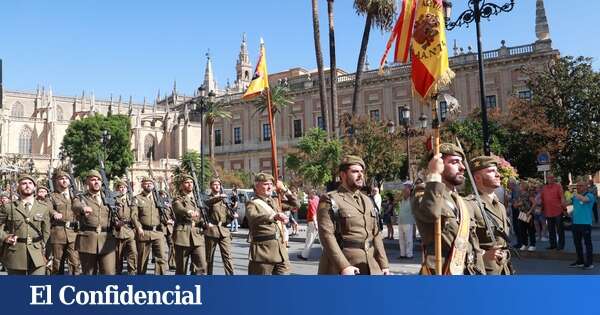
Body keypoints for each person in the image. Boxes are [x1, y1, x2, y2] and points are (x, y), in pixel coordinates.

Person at [411, 144, 487, 275]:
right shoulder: (424, 191)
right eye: (454, 162)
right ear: (438, 165)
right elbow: (430, 214)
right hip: (442, 270)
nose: (462, 167)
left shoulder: (461, 201)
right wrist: (434, 175)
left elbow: (474, 245)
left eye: (461, 162)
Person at [317, 155, 390, 275]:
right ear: (343, 175)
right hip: (345, 266)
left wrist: (384, 264)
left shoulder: (368, 200)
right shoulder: (330, 199)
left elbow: (376, 234)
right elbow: (326, 236)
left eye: (362, 171)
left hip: (370, 265)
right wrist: (344, 266)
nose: (360, 175)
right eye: (355, 171)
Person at [467, 156, 515, 275]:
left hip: (505, 270)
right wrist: (484, 256)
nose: (498, 175)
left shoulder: (501, 206)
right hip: (484, 272)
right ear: (477, 178)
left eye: (497, 171)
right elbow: (462, 247)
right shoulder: (469, 205)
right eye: (491, 171)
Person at [246, 173, 299, 275]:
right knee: (262, 287)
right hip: (264, 252)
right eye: (266, 184)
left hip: (281, 251)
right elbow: (253, 217)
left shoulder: (275, 201)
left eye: (271, 184)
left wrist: (285, 190)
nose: (270, 186)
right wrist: (273, 217)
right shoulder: (252, 203)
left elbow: (296, 204)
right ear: (256, 186)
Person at [0, 175, 51, 275]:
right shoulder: (8, 207)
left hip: (37, 254)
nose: (27, 186)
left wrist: (46, 251)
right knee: (17, 288)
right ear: (18, 187)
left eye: (30, 183)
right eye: (24, 183)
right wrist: (5, 237)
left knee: (36, 287)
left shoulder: (43, 207)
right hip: (15, 253)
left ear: (35, 187)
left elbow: (46, 231)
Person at [73, 170, 117, 275]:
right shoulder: (80, 197)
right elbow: (75, 206)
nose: (96, 182)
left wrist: (119, 222)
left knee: (109, 273)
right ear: (87, 182)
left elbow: (117, 214)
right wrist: (83, 209)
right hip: (88, 241)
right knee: (89, 274)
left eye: (98, 180)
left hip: (107, 241)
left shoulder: (110, 198)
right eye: (93, 180)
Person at [171, 174, 207, 275]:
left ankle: (197, 288)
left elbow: (202, 215)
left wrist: (205, 223)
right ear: (182, 185)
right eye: (187, 182)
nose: (189, 184)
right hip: (183, 236)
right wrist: (188, 212)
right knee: (181, 268)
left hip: (197, 235)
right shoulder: (178, 199)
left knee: (202, 266)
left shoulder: (198, 199)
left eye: (191, 182)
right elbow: (178, 208)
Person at [134, 177, 169, 275]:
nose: (148, 185)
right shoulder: (137, 199)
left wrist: (168, 220)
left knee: (161, 257)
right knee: (142, 259)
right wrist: (138, 227)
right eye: (146, 183)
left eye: (150, 183)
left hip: (157, 232)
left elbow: (165, 212)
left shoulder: (158, 199)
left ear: (153, 185)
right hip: (144, 232)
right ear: (142, 185)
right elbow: (134, 215)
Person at [49, 170, 81, 275]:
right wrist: (54, 213)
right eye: (61, 178)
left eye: (66, 178)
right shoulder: (52, 196)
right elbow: (48, 208)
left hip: (73, 233)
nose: (64, 180)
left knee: (75, 263)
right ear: (57, 181)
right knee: (57, 264)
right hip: (58, 233)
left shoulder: (75, 196)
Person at [204, 178, 235, 275]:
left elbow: (228, 215)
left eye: (218, 184)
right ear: (211, 186)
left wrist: (232, 216)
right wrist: (219, 197)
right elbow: (207, 204)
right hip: (212, 230)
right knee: (208, 257)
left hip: (224, 231)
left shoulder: (225, 200)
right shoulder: (207, 199)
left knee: (228, 256)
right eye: (215, 184)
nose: (217, 186)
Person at [567, 180, 596, 269]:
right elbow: (567, 203)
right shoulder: (575, 197)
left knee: (587, 244)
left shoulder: (590, 195)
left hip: (585, 223)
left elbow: (584, 200)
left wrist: (574, 193)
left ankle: (589, 263)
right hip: (576, 223)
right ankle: (580, 261)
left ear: (586, 187)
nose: (578, 187)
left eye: (581, 186)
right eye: (578, 186)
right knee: (577, 243)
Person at [113, 180, 139, 275]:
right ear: (118, 189)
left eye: (124, 187)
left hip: (130, 231)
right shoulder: (113, 200)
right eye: (120, 187)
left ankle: (132, 273)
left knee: (133, 253)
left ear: (127, 189)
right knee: (118, 255)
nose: (123, 189)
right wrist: (115, 221)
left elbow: (136, 214)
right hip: (118, 231)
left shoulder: (132, 200)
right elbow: (111, 213)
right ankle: (117, 273)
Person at [541, 174, 566, 250]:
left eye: (551, 178)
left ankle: (561, 245)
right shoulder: (544, 188)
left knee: (559, 229)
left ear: (554, 178)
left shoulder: (558, 186)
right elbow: (542, 199)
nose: (550, 179)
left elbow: (562, 197)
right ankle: (553, 244)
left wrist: (564, 208)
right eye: (548, 178)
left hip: (557, 211)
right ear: (547, 179)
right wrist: (541, 208)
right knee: (551, 229)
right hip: (548, 211)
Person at [297, 189, 318, 261]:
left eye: (309, 194)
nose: (308, 195)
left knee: (310, 239)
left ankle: (304, 255)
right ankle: (329, 255)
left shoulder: (311, 202)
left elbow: (313, 213)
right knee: (322, 241)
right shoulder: (318, 199)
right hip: (318, 221)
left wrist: (315, 223)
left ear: (312, 194)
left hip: (312, 222)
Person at [515, 180, 536, 252]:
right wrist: (517, 205)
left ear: (524, 186)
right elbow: (517, 203)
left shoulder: (529, 194)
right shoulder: (519, 194)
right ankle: (524, 244)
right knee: (522, 230)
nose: (519, 186)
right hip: (521, 213)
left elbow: (534, 203)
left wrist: (530, 211)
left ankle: (532, 245)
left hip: (528, 214)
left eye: (521, 185)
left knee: (530, 230)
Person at [396, 181, 415, 259]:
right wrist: (401, 194)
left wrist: (408, 192)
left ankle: (409, 254)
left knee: (408, 239)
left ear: (410, 189)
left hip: (408, 221)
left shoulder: (412, 199)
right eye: (404, 188)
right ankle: (402, 254)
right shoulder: (401, 199)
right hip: (400, 221)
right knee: (401, 239)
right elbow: (396, 199)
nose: (404, 190)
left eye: (406, 188)